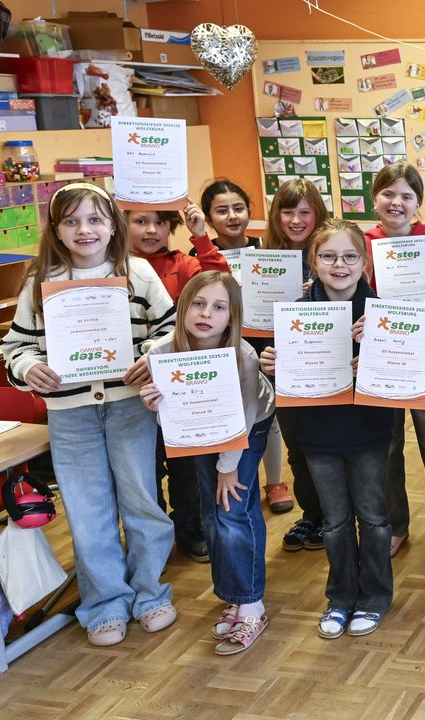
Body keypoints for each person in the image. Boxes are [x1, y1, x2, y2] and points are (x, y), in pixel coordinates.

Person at [1, 183, 177, 647]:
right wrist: (29, 368)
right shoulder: (39, 283)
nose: (85, 230)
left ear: (113, 225)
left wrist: (152, 354)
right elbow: (15, 347)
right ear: (56, 230)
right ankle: (104, 603)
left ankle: (150, 592)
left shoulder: (138, 273)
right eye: (72, 221)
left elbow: (171, 328)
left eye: (95, 219)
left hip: (129, 407)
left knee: (142, 502)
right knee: (87, 510)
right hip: (71, 414)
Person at [262, 218, 396, 640]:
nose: (340, 265)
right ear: (313, 261)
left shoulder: (384, 314)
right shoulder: (294, 315)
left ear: (364, 263)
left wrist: (378, 348)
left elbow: (403, 375)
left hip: (369, 431)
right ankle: (340, 597)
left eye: (350, 256)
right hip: (317, 434)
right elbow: (285, 378)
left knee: (373, 518)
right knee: (335, 522)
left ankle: (374, 596)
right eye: (329, 256)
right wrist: (272, 367)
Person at [140, 272, 276, 655]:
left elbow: (247, 415)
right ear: (183, 307)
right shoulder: (161, 354)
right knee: (213, 513)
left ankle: (252, 604)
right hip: (203, 430)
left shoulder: (243, 356)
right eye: (198, 304)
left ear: (232, 317)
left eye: (219, 307)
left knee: (233, 508)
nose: (206, 314)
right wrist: (153, 405)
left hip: (248, 427)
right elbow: (172, 418)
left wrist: (228, 466)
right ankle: (235, 595)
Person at [365, 162, 425, 556]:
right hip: (381, 360)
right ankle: (395, 525)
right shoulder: (362, 244)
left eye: (407, 196)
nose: (397, 202)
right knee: (386, 447)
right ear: (375, 199)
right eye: (388, 194)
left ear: (419, 203)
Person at [127, 203, 230, 562]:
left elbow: (221, 283)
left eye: (160, 223)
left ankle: (190, 527)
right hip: (132, 384)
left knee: (187, 464)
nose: (151, 230)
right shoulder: (114, 268)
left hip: (181, 385)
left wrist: (200, 236)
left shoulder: (181, 265)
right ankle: (153, 537)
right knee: (146, 465)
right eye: (141, 221)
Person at [196, 179, 292, 515]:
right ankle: (232, 471)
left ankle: (275, 481)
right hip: (221, 342)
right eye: (222, 211)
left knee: (267, 409)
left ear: (250, 212)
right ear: (209, 217)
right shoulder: (199, 254)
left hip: (264, 337)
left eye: (238, 208)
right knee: (232, 410)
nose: (232, 216)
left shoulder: (267, 248)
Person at [262, 179, 329, 553]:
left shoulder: (330, 254)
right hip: (283, 370)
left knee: (326, 446)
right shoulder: (265, 259)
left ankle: (334, 516)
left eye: (305, 212)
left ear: (318, 213)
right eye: (288, 212)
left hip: (324, 367)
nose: (296, 220)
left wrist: (318, 293)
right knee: (297, 448)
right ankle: (311, 514)